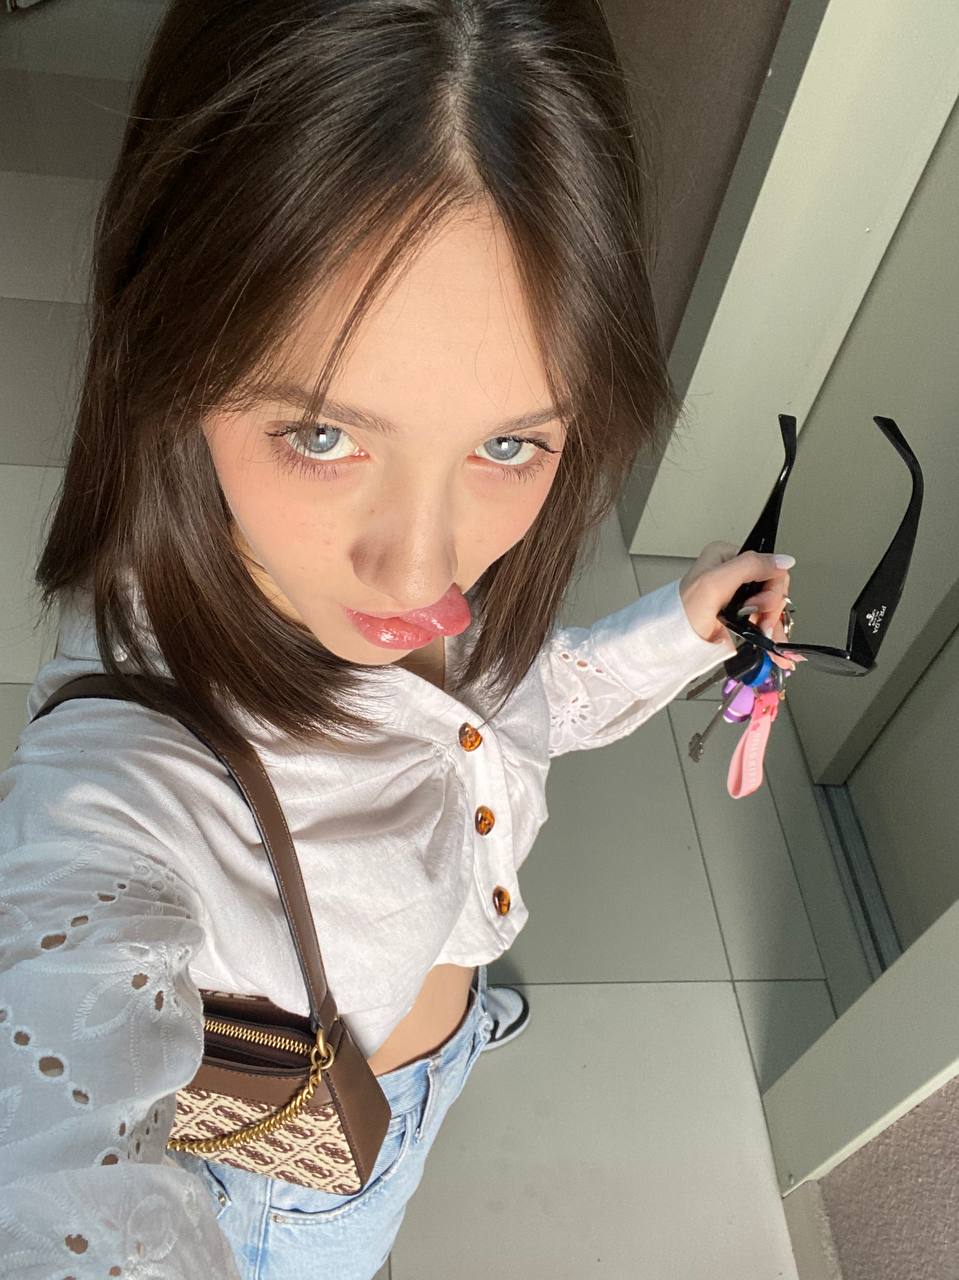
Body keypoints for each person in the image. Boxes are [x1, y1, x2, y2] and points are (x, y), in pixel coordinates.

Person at [0, 2, 794, 1277]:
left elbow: (514, 709)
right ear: (171, 353)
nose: (423, 571)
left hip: (426, 1063)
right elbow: (47, 1137)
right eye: (322, 434)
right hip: (288, 1187)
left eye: (508, 443)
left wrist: (683, 626)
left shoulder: (406, 595)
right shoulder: (122, 784)